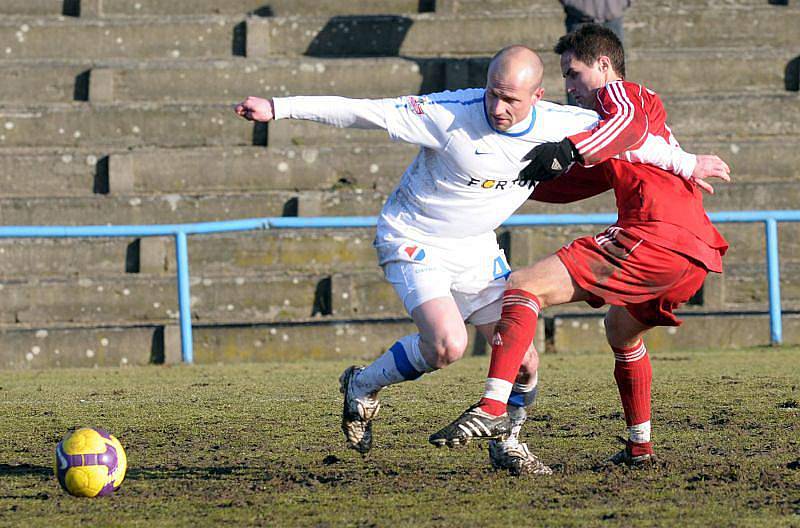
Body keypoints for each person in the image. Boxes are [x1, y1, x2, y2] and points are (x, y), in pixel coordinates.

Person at [234, 45, 726, 475]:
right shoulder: (447, 113)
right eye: (492, 92)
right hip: (414, 238)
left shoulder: (564, 125)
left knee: (525, 359)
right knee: (449, 345)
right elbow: (363, 111)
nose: (497, 106)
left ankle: (509, 442)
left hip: (476, 248)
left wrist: (690, 164)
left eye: (510, 98)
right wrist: (279, 107)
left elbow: (637, 144)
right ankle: (362, 385)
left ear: (537, 96)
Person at [429, 25, 731, 467]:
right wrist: (494, 179)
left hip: (655, 234)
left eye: (573, 74)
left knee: (524, 286)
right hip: (694, 254)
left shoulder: (622, 97)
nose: (569, 88)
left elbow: (623, 123)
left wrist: (568, 148)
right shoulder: (613, 136)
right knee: (621, 331)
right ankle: (640, 447)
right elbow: (570, 183)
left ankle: (493, 408)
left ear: (604, 65)